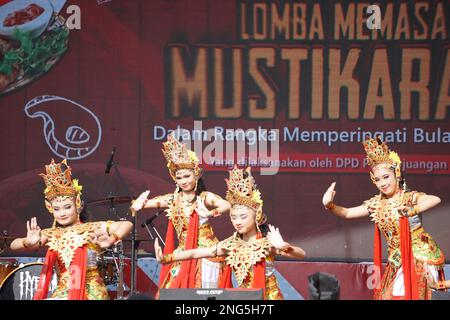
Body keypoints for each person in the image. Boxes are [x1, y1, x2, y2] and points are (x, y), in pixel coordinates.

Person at [154, 165, 306, 300]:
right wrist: (167, 258)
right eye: (233, 217)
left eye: (243, 217)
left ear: (257, 216)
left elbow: (301, 254)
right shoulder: (230, 244)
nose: (237, 221)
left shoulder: (266, 243)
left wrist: (285, 247)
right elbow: (195, 253)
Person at [322, 137, 445, 300]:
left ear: (397, 174)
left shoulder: (408, 197)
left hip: (418, 256)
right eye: (378, 179)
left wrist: (412, 210)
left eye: (386, 177)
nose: (382, 183)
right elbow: (347, 213)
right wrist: (329, 205)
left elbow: (434, 199)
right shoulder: (376, 203)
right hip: (396, 259)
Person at [10, 159, 133, 300]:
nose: (62, 213)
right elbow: (14, 244)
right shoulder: (51, 234)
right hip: (63, 292)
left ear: (78, 205)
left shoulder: (91, 228)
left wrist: (111, 239)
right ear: (50, 209)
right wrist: (27, 242)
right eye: (57, 209)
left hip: (91, 292)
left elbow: (126, 224)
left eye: (67, 207)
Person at [131, 134, 230, 290]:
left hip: (206, 253)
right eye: (179, 177)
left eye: (187, 176)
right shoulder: (172, 199)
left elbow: (226, 205)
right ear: (175, 179)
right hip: (183, 252)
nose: (183, 181)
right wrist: (138, 204)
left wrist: (210, 214)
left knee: (203, 293)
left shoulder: (204, 197)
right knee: (174, 290)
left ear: (196, 175)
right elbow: (148, 203)